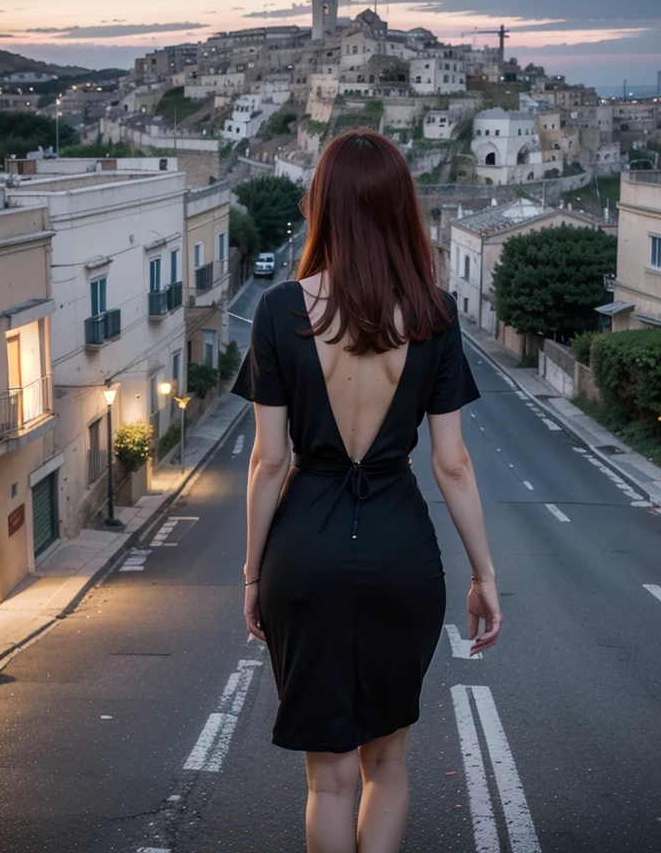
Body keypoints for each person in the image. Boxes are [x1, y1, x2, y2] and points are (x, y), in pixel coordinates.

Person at [232, 128, 501, 853]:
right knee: (387, 762)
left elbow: (267, 461)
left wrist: (254, 575)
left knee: (329, 780)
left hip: (304, 556)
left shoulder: (280, 311)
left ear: (322, 205)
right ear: (399, 208)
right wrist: (484, 575)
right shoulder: (435, 315)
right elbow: (453, 465)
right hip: (399, 554)